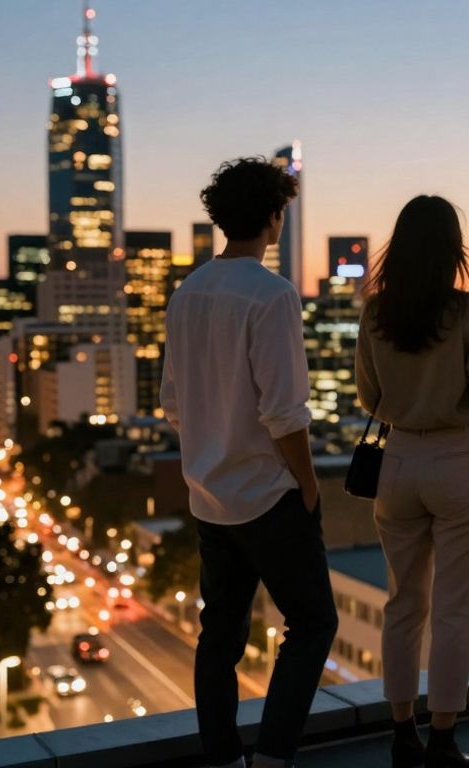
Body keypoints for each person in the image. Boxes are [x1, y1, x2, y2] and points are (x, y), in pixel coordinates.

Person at [160, 157, 337, 768]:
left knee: (221, 634)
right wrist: (309, 486)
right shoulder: (271, 294)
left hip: (208, 496)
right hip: (267, 494)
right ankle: (273, 756)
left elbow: (173, 403)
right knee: (312, 623)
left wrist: (211, 447)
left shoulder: (188, 294)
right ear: (272, 217)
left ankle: (223, 757)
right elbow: (285, 413)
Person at [355, 196, 469, 768]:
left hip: (397, 462)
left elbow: (369, 397)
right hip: (458, 458)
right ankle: (443, 737)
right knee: (453, 607)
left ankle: (401, 732)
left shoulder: (375, 312)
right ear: (452, 250)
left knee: (403, 602)